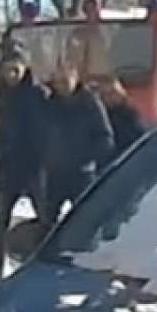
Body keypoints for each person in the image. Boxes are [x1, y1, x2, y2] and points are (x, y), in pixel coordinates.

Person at [0, 42, 51, 284]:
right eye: (6, 70)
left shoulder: (38, 93)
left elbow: (47, 133)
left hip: (34, 166)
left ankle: (46, 270)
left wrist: (48, 162)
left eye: (15, 69)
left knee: (46, 221)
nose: (11, 75)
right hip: (9, 165)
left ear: (24, 68)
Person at [44, 62, 115, 221]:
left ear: (75, 78)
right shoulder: (49, 104)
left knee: (85, 219)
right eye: (58, 81)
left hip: (81, 175)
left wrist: (88, 159)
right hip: (55, 175)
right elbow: (39, 135)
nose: (61, 86)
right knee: (47, 222)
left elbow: (105, 137)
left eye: (65, 81)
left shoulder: (89, 102)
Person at [96, 75, 146, 157]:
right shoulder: (99, 117)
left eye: (113, 92)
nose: (111, 97)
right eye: (105, 94)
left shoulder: (129, 114)